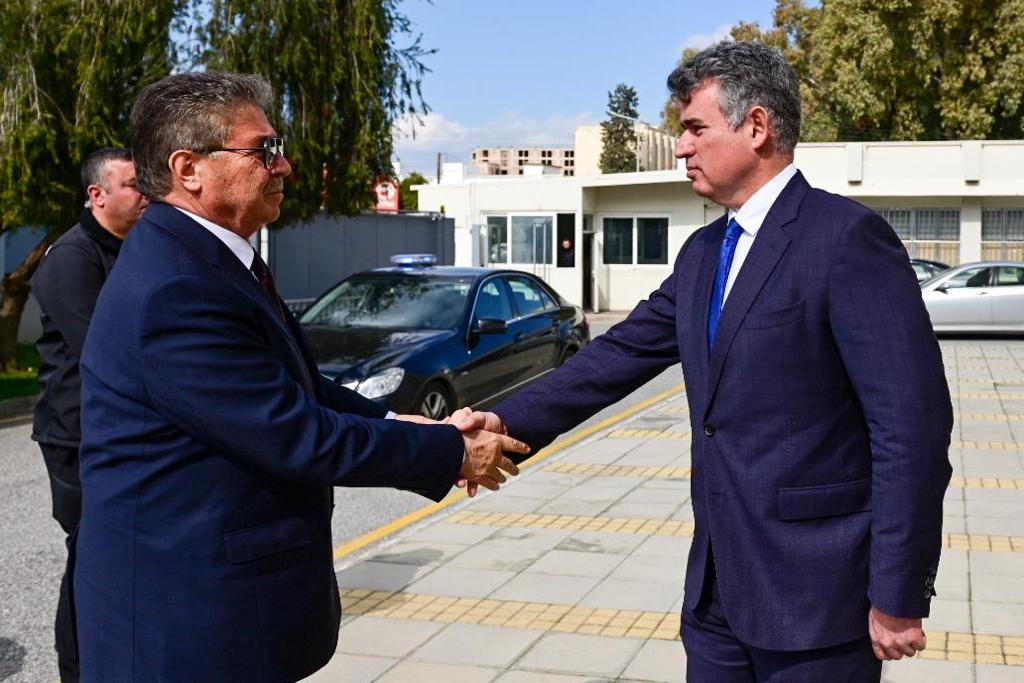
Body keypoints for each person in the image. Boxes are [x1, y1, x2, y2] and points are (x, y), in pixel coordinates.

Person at [469, 41, 952, 681]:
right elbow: (619, 353)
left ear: (757, 126)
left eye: (696, 128)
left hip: (819, 599)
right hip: (717, 594)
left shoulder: (845, 239)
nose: (681, 147)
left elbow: (911, 429)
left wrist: (897, 590)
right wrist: (502, 422)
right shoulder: (703, 252)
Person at [74, 71, 526, 683]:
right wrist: (451, 453)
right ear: (189, 168)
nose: (283, 165)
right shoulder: (175, 287)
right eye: (264, 150)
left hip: (217, 613)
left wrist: (404, 421)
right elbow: (293, 433)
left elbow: (297, 387)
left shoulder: (205, 260)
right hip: (187, 624)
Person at [31, 147, 148, 683]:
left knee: (124, 560)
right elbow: (107, 350)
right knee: (90, 559)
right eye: (133, 185)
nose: (145, 194)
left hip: (120, 435)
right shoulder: (71, 258)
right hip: (76, 438)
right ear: (97, 195)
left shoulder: (136, 249)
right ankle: (78, 670)